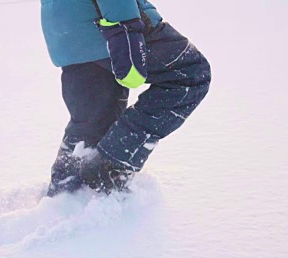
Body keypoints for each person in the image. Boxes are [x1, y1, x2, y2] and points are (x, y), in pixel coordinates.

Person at [41, 0, 211, 196]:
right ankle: (109, 166)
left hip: (67, 30)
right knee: (190, 74)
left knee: (93, 119)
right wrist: (125, 30)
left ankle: (65, 195)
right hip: (106, 21)